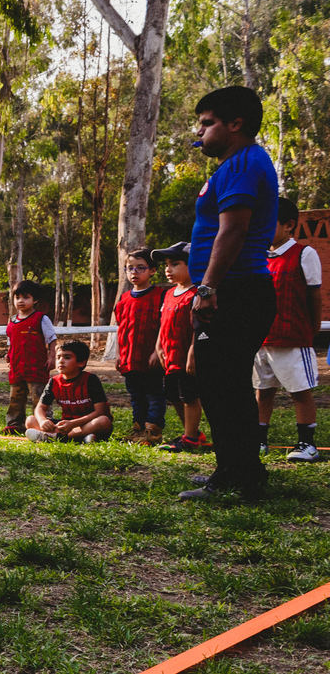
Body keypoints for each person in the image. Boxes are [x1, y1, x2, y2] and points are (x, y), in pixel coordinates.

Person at [180, 86, 278, 502]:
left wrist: (207, 288)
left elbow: (233, 230)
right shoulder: (234, 165)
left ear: (235, 124)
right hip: (231, 291)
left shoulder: (242, 164)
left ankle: (239, 479)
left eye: (207, 123)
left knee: (225, 384)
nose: (199, 133)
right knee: (222, 383)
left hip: (235, 291)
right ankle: (237, 469)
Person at [255, 197, 323, 463]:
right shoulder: (260, 257)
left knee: (300, 391)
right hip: (262, 339)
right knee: (263, 390)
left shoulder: (304, 254)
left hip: (292, 337)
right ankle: (259, 441)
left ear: (289, 225)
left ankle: (307, 444)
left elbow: (314, 294)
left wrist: (313, 326)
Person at [152, 243, 209, 453]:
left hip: (187, 356)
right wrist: (158, 346)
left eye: (175, 264)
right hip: (170, 357)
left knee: (189, 396)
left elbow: (200, 326)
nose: (168, 269)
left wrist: (194, 352)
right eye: (166, 264)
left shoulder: (197, 294)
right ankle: (192, 432)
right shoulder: (168, 294)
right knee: (174, 395)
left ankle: (190, 439)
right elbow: (163, 322)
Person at [113, 249, 167, 445]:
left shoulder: (160, 295)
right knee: (136, 396)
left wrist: (157, 351)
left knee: (154, 394)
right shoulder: (124, 298)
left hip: (151, 357)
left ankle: (153, 431)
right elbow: (121, 329)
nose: (134, 272)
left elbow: (164, 326)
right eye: (129, 268)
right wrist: (119, 355)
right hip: (129, 358)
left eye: (140, 268)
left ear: (152, 271)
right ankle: (138, 429)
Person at [26, 340, 113, 443]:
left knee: (103, 421)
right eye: (58, 357)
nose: (61, 361)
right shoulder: (54, 381)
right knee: (30, 420)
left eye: (67, 357)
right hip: (65, 426)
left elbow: (100, 411)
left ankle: (56, 437)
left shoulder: (90, 380)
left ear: (81, 362)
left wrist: (73, 424)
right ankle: (80, 438)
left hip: (86, 423)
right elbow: (40, 408)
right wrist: (42, 421)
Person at [5, 280, 57, 435]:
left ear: (35, 300)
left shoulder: (41, 319)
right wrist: (9, 355)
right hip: (17, 367)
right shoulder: (12, 321)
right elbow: (11, 341)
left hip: (36, 367)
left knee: (39, 397)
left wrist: (52, 357)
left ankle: (44, 424)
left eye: (26, 297)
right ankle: (14, 425)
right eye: (17, 297)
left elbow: (52, 339)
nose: (21, 301)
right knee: (16, 398)